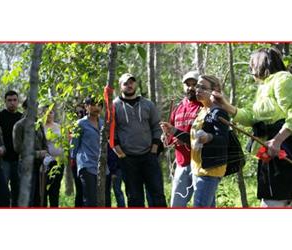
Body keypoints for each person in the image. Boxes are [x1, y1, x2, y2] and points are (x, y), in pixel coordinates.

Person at [211, 47, 292, 207]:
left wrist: (278, 140)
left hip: (288, 147)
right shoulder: (264, 86)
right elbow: (252, 117)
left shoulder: (283, 78)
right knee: (281, 198)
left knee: (275, 198)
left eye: (252, 64)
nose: (251, 69)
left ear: (262, 63)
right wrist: (225, 105)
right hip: (271, 148)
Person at [161, 75, 229, 207]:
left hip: (209, 170)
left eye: (202, 87)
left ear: (214, 91)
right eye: (197, 86)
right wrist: (173, 131)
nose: (196, 89)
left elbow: (223, 140)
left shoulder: (218, 112)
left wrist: (208, 138)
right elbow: (193, 140)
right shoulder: (203, 111)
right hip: (197, 168)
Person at [113, 73, 167, 207]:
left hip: (149, 156)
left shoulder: (148, 104)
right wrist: (122, 155)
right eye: (125, 83)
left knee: (157, 194)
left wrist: (153, 151)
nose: (129, 85)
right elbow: (111, 133)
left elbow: (157, 127)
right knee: (134, 198)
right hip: (128, 159)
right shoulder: (114, 106)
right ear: (120, 86)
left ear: (135, 84)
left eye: (131, 82)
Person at [162, 70, 202, 207]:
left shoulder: (204, 106)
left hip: (201, 164)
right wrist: (166, 137)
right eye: (187, 84)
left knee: (203, 205)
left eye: (194, 84)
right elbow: (170, 134)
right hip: (181, 163)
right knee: (176, 204)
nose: (190, 88)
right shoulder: (178, 108)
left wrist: (180, 137)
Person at [13, 99, 48, 207]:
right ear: (25, 108)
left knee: (40, 198)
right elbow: (18, 148)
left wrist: (44, 157)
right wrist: (38, 153)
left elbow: (44, 143)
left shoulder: (39, 123)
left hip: (40, 165)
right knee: (28, 198)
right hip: (26, 165)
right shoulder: (19, 125)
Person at [70, 97, 103, 207]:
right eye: (93, 104)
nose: (96, 107)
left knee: (103, 199)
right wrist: (74, 164)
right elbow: (74, 146)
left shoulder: (103, 124)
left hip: (102, 167)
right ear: (86, 107)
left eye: (99, 104)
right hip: (86, 165)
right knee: (90, 200)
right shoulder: (80, 124)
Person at [0, 90, 23, 206]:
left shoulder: (21, 117)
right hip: (3, 160)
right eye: (9, 100)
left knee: (17, 192)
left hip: (18, 160)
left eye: (14, 100)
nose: (12, 103)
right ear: (5, 102)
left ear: (18, 101)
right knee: (2, 192)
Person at [42, 107, 65, 207]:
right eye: (46, 112)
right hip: (46, 163)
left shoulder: (59, 127)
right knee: (44, 191)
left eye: (50, 112)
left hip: (59, 162)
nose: (48, 114)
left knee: (55, 190)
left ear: (53, 113)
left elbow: (64, 143)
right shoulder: (41, 127)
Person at [69, 103, 86, 207]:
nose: (79, 114)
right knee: (79, 189)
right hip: (75, 163)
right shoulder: (72, 127)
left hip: (87, 162)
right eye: (77, 112)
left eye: (81, 112)